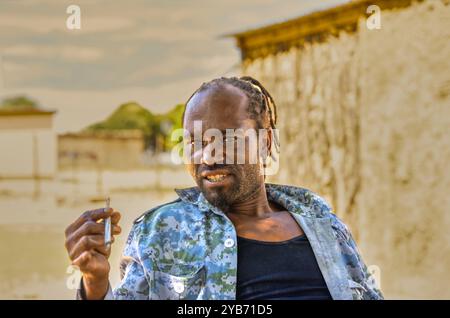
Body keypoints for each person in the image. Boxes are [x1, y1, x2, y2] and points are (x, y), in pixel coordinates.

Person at [64, 76, 383, 300]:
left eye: (226, 138)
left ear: (265, 142)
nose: (208, 155)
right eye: (195, 142)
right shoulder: (159, 231)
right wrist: (95, 283)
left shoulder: (321, 221)